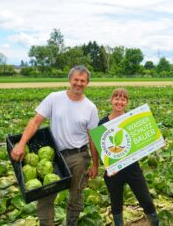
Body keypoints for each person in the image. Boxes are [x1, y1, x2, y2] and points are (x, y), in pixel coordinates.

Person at [11, 65, 99, 226]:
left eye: (83, 81)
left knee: (76, 195)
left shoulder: (90, 107)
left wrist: (95, 164)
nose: (79, 83)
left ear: (87, 83)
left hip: (78, 156)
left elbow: (93, 137)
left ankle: (71, 223)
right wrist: (21, 144)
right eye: (76, 80)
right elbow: (36, 121)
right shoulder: (54, 98)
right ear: (70, 80)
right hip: (54, 157)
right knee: (45, 195)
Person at [98, 88, 159, 226]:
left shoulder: (132, 119)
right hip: (113, 172)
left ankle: (155, 223)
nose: (119, 102)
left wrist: (156, 142)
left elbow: (141, 139)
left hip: (133, 168)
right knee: (116, 203)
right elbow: (102, 149)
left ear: (127, 102)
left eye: (123, 99)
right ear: (111, 100)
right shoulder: (102, 123)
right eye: (116, 98)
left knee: (146, 200)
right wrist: (108, 166)